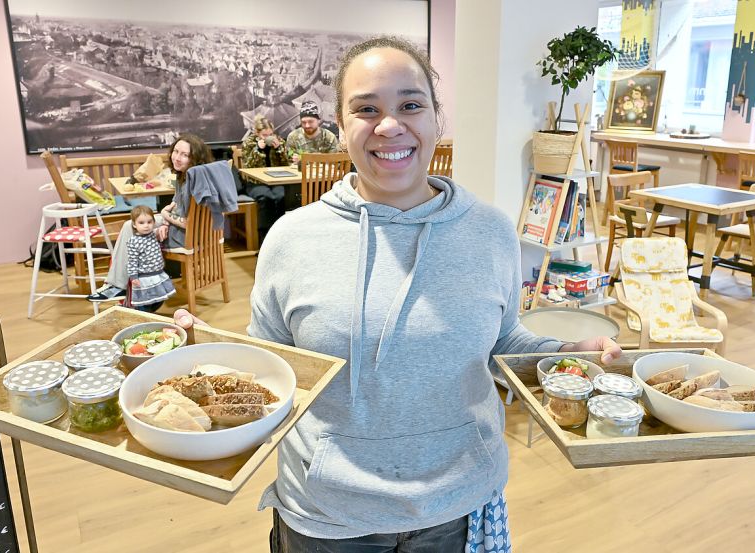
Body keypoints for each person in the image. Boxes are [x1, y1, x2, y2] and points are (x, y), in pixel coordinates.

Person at [179, 37, 622, 552]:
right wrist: (201, 364)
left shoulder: (491, 232)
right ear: (340, 127)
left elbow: (500, 345)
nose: (389, 125)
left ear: (437, 118)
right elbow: (271, 369)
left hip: (458, 505)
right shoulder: (291, 238)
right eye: (366, 109)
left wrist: (569, 358)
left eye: (411, 105)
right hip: (329, 515)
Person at [87, 134, 211, 302]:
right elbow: (176, 204)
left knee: (133, 228)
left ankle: (120, 286)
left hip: (186, 237)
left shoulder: (193, 181)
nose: (177, 157)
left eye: (184, 155)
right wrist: (165, 221)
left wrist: (166, 216)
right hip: (181, 228)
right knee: (130, 225)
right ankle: (119, 285)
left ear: (194, 158)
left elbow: (189, 222)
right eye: (176, 151)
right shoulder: (186, 176)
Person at [239, 114, 287, 237]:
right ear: (257, 133)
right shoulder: (249, 143)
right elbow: (247, 166)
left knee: (281, 196)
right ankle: (264, 237)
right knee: (266, 198)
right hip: (255, 182)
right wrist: (258, 150)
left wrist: (279, 150)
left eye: (270, 134)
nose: (268, 137)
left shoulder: (278, 141)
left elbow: (287, 163)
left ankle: (280, 234)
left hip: (275, 180)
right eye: (264, 135)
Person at [125, 205, 175, 312]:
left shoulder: (153, 234)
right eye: (141, 223)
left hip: (158, 274)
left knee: (159, 298)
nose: (146, 226)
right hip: (144, 278)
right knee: (145, 302)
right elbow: (132, 261)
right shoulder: (133, 241)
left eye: (149, 222)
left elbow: (163, 227)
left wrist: (163, 225)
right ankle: (143, 315)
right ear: (134, 224)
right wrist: (134, 277)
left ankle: (150, 313)